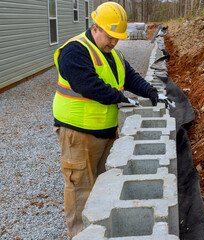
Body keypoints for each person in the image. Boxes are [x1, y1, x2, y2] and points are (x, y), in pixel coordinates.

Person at [52, 2, 160, 237]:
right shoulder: (75, 51)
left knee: (103, 189)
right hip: (78, 135)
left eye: (117, 38)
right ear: (95, 29)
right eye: (110, 36)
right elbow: (88, 85)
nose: (113, 41)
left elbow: (130, 77)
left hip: (105, 134)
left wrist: (151, 91)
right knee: (81, 190)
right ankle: (81, 234)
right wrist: (120, 98)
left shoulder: (113, 54)